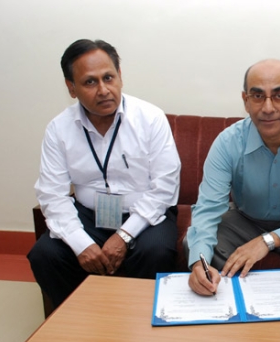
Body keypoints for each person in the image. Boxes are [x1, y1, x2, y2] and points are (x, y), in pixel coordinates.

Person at [28, 39, 181, 309]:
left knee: (156, 251)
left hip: (146, 214)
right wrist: (80, 243)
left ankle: (141, 322)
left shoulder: (150, 118)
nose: (103, 90)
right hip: (89, 214)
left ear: (120, 76)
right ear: (71, 88)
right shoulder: (59, 129)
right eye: (89, 82)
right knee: (45, 254)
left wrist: (124, 235)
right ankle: (83, 320)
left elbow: (165, 187)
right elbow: (52, 194)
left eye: (108, 78)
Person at [186, 59, 280, 295]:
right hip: (245, 220)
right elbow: (208, 208)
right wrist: (199, 263)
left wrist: (266, 241)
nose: (268, 108)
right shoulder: (228, 142)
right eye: (258, 96)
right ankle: (226, 309)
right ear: (245, 101)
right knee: (196, 245)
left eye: (279, 96)